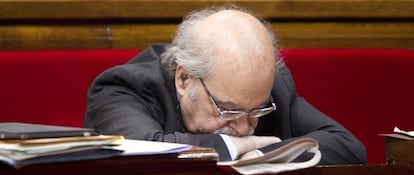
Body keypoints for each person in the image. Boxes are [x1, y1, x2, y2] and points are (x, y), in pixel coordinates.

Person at [85, 5, 366, 164]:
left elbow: (347, 146)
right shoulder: (121, 89)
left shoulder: (273, 89)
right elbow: (145, 152)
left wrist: (258, 155)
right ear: (184, 79)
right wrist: (233, 148)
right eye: (228, 110)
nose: (244, 128)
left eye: (256, 111)